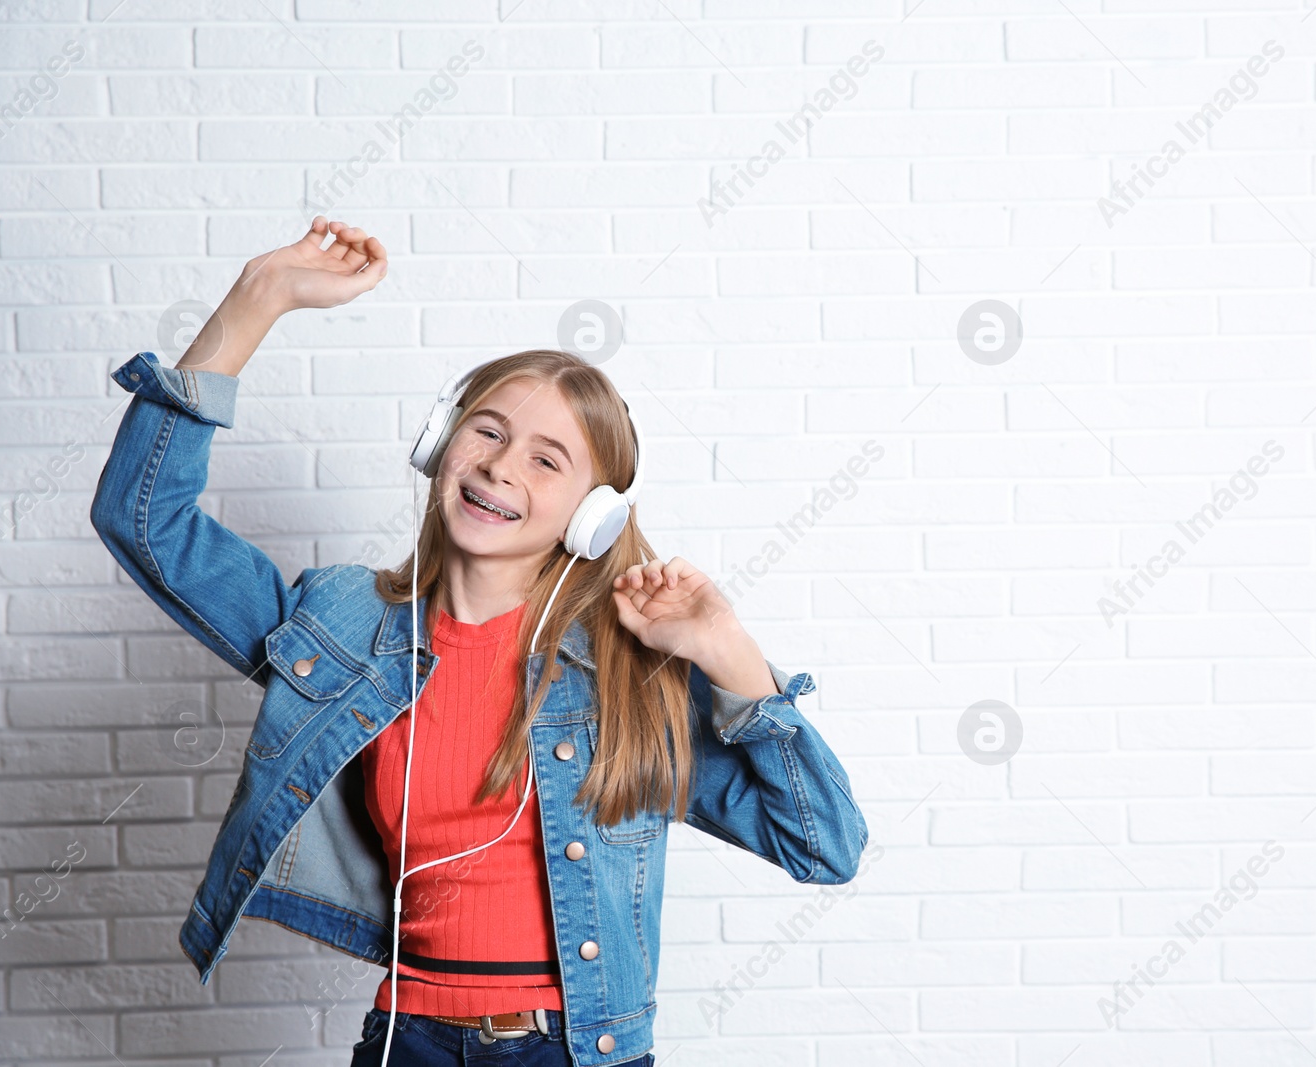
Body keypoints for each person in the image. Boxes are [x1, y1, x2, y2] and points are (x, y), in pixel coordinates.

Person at [90, 217, 871, 1067]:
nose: (502, 466)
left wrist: (732, 658)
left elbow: (823, 844)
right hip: (405, 1043)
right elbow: (145, 520)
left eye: (548, 460)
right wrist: (258, 301)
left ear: (590, 514)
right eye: (489, 431)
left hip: (573, 1050)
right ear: (440, 444)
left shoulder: (626, 675)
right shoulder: (344, 625)